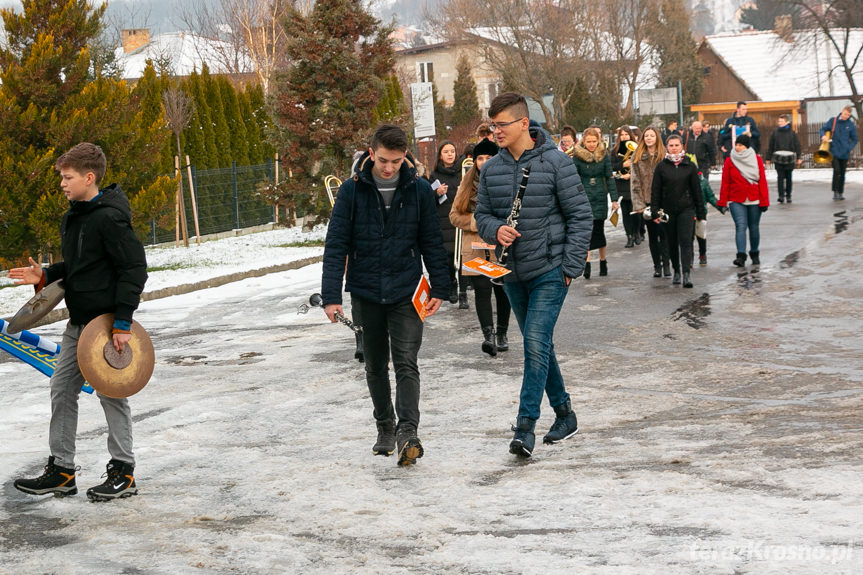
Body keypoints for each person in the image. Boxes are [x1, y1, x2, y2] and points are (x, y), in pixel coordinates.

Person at [10, 143, 148, 501]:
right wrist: (46, 274)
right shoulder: (73, 217)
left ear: (89, 177)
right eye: (62, 177)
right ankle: (62, 470)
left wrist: (122, 323)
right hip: (78, 325)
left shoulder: (110, 218)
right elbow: (79, 268)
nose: (62, 184)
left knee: (112, 393)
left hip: (106, 326)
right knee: (61, 388)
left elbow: (132, 269)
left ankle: (123, 471)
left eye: (68, 177)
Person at [321, 124, 448, 466]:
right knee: (375, 364)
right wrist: (331, 296)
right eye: (382, 160)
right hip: (365, 291)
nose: (388, 168)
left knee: (407, 362)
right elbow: (336, 246)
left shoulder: (420, 190)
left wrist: (440, 286)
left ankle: (409, 431)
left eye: (395, 161)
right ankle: (385, 427)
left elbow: (432, 242)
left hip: (407, 290)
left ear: (405, 155)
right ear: (371, 152)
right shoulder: (351, 191)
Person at [474, 92, 592, 457]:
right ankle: (565, 414)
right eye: (492, 125)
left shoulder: (556, 162)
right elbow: (481, 215)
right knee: (541, 346)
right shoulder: (491, 169)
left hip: (550, 269)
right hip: (511, 271)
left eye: (502, 125)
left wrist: (570, 268)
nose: (495, 132)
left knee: (534, 343)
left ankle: (525, 427)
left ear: (524, 123)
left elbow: (581, 216)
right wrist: (496, 230)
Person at [450, 138, 511, 356]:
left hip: (498, 247)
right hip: (474, 248)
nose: (484, 162)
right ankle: (489, 336)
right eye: (480, 158)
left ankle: (502, 332)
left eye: (489, 158)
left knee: (503, 291)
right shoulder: (466, 184)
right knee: (482, 292)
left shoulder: (505, 181)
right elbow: (454, 216)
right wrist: (476, 222)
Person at [650, 134, 705, 288]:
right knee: (671, 242)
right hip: (668, 210)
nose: (674, 148)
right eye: (671, 145)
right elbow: (656, 190)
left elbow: (697, 190)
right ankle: (676, 271)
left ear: (682, 147)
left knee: (686, 241)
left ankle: (686, 273)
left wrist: (700, 212)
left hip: (686, 209)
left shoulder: (689, 166)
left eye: (677, 145)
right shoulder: (662, 167)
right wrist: (655, 210)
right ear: (667, 147)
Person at [572, 127, 619, 278]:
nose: (591, 144)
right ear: (583, 141)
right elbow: (574, 179)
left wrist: (614, 199)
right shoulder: (577, 157)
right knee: (586, 232)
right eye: (588, 141)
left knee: (599, 230)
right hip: (584, 196)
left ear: (598, 141)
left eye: (594, 141)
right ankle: (587, 263)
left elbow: (609, 177)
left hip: (599, 195)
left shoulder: (603, 155)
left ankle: (603, 261)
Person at [717, 134, 769, 267]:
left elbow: (762, 181)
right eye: (737, 144)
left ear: (747, 146)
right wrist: (722, 202)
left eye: (741, 145)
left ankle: (754, 253)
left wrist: (764, 201)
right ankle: (740, 256)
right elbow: (725, 183)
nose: (738, 147)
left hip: (754, 198)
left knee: (753, 227)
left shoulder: (756, 159)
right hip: (736, 199)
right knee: (740, 226)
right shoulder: (730, 160)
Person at [430, 140, 466, 308]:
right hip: (444, 220)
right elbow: (429, 201)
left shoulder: (463, 172)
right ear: (440, 155)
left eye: (452, 151)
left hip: (462, 218)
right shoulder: (435, 174)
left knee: (464, 257)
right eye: (446, 152)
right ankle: (452, 283)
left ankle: (463, 292)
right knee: (450, 257)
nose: (450, 154)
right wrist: (436, 193)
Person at [631, 126, 671, 278]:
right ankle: (657, 266)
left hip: (663, 202)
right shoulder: (637, 156)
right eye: (646, 136)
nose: (648, 138)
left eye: (652, 136)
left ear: (657, 138)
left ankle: (666, 264)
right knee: (653, 236)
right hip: (646, 202)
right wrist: (639, 205)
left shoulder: (664, 155)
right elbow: (634, 182)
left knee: (664, 234)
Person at [820, 105, 859, 201]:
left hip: (844, 153)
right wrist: (823, 136)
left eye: (848, 115)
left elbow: (855, 139)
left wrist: (849, 148)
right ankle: (835, 192)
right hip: (834, 150)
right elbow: (823, 129)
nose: (846, 116)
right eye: (845, 114)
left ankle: (841, 192)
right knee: (836, 171)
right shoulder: (833, 121)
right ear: (842, 111)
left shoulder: (850, 125)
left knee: (842, 172)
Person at [611, 126, 639, 248]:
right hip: (621, 184)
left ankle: (637, 232)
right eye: (622, 135)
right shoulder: (614, 151)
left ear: (630, 135)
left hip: (634, 183)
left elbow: (640, 165)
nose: (624, 137)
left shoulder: (637, 148)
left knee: (635, 211)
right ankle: (629, 237)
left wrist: (631, 174)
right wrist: (623, 164)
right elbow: (611, 166)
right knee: (626, 213)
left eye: (626, 135)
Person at [766, 114, 802, 203]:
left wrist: (799, 157)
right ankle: (781, 196)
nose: (779, 123)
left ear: (787, 122)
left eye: (781, 121)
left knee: (789, 177)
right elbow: (770, 146)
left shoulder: (792, 133)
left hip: (789, 159)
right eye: (779, 121)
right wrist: (768, 158)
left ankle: (788, 195)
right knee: (780, 177)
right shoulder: (775, 133)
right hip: (778, 158)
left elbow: (797, 145)